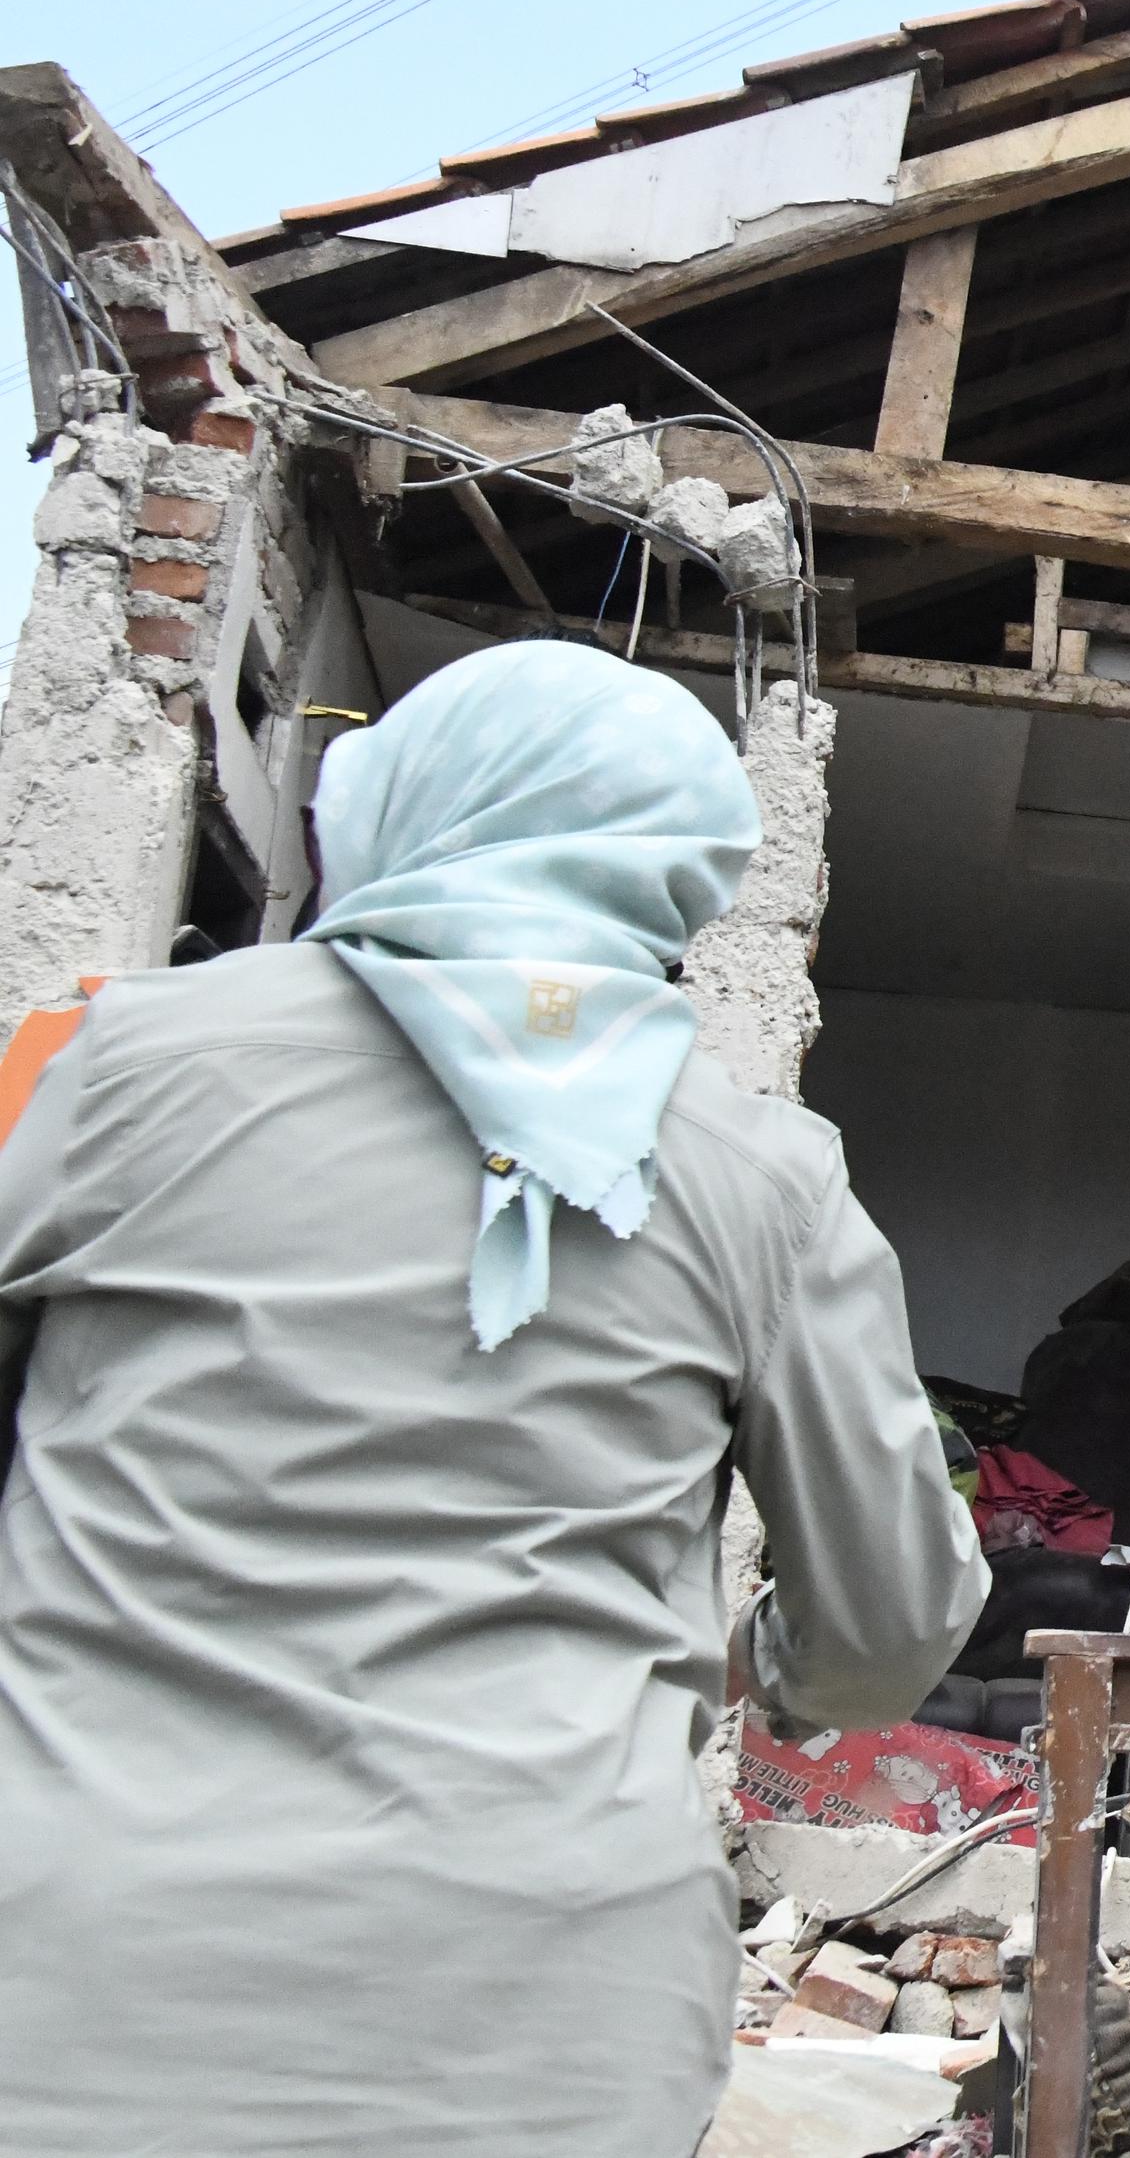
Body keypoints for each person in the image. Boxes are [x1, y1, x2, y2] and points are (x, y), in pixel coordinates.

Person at [0, 638, 983, 2158]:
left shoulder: (108, 1061)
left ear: (388, 805)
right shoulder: (764, 1176)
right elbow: (890, 1632)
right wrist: (746, 1658)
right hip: (547, 2016)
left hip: (79, 1977)